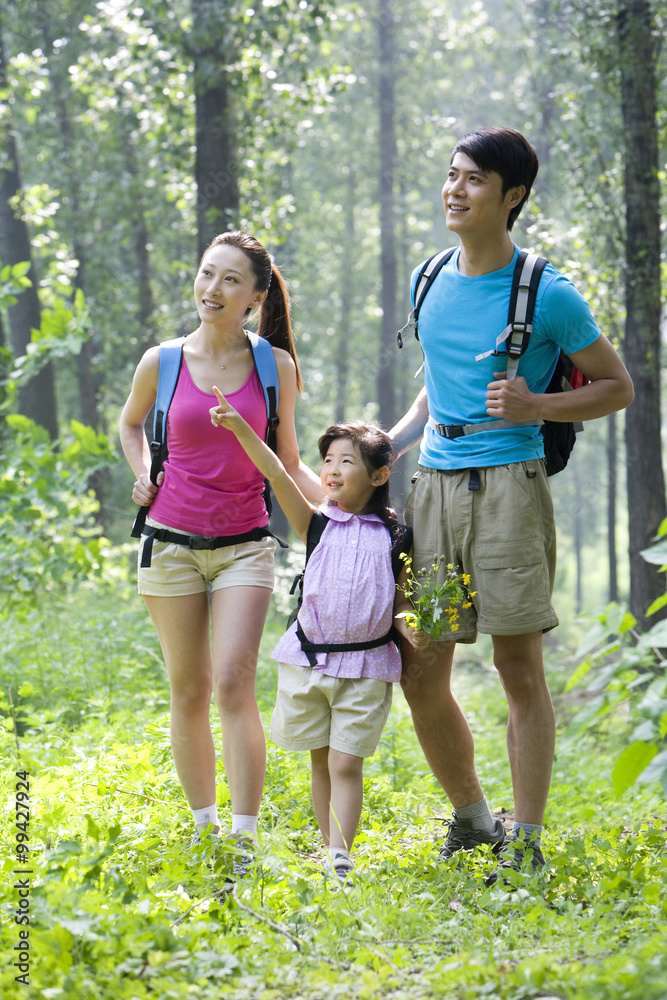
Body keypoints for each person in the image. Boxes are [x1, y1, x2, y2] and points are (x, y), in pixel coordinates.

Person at [388, 126, 634, 884]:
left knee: (516, 664)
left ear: (512, 195)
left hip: (508, 493)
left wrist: (536, 406)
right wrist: (390, 443)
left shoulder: (547, 292)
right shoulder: (428, 277)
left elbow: (615, 386)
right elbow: (440, 378)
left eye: (472, 180)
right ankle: (471, 820)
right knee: (421, 666)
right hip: (431, 491)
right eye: (450, 175)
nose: (453, 190)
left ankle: (524, 842)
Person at [118, 230, 321, 870]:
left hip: (245, 545)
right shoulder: (162, 361)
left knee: (234, 682)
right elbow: (129, 423)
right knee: (189, 687)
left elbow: (286, 460)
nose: (212, 288)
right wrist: (142, 466)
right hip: (169, 544)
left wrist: (342, 514)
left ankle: (244, 837)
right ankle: (205, 829)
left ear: (255, 298)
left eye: (231, 280)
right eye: (208, 274)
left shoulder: (274, 368)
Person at [207, 403, 427, 879]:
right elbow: (273, 468)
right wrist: (242, 426)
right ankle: (330, 850)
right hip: (309, 664)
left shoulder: (396, 536)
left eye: (346, 461)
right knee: (322, 763)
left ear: (378, 474)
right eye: (328, 460)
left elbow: (402, 600)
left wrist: (408, 622)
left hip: (366, 670)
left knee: (347, 763)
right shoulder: (316, 524)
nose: (331, 469)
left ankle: (342, 859)